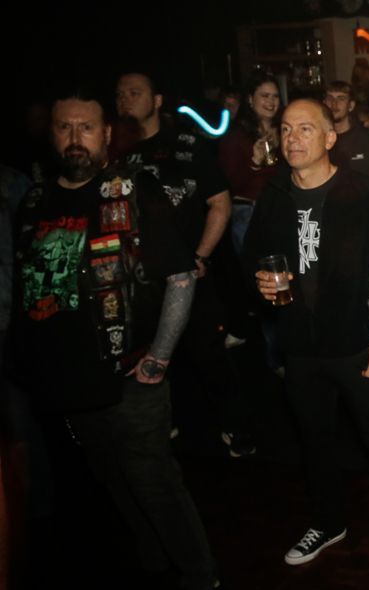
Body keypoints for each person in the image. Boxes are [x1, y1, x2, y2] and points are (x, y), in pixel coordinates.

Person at [9, 88, 222, 590]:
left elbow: (180, 275)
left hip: (132, 375)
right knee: (109, 476)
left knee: (153, 478)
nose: (74, 138)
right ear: (51, 134)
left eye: (86, 127)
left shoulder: (131, 191)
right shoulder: (33, 201)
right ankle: (153, 560)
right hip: (68, 379)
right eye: (64, 127)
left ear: (105, 135)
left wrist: (160, 357)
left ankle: (202, 581)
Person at [243, 99, 369, 574]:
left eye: (305, 129)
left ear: (328, 138)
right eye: (286, 129)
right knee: (314, 439)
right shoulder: (275, 193)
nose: (293, 138)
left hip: (359, 344)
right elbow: (252, 257)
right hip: (301, 346)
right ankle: (328, 522)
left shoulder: (362, 193)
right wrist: (260, 285)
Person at [115, 71, 252, 456]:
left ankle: (237, 428)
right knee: (146, 357)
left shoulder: (185, 145)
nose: (126, 99)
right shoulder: (113, 149)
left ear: (157, 100)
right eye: (120, 94)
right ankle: (162, 429)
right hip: (137, 282)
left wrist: (200, 256)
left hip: (189, 274)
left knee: (209, 355)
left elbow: (220, 203)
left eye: (135, 92)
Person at [218, 71, 281, 253]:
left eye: (275, 96)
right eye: (265, 96)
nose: (271, 101)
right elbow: (228, 185)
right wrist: (254, 163)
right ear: (251, 99)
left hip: (278, 209)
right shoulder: (237, 135)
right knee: (258, 267)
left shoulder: (285, 130)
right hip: (250, 212)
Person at [323, 80, 369, 191]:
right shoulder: (317, 140)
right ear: (324, 103)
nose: (334, 103)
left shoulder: (368, 140)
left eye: (341, 98)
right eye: (330, 98)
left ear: (351, 106)